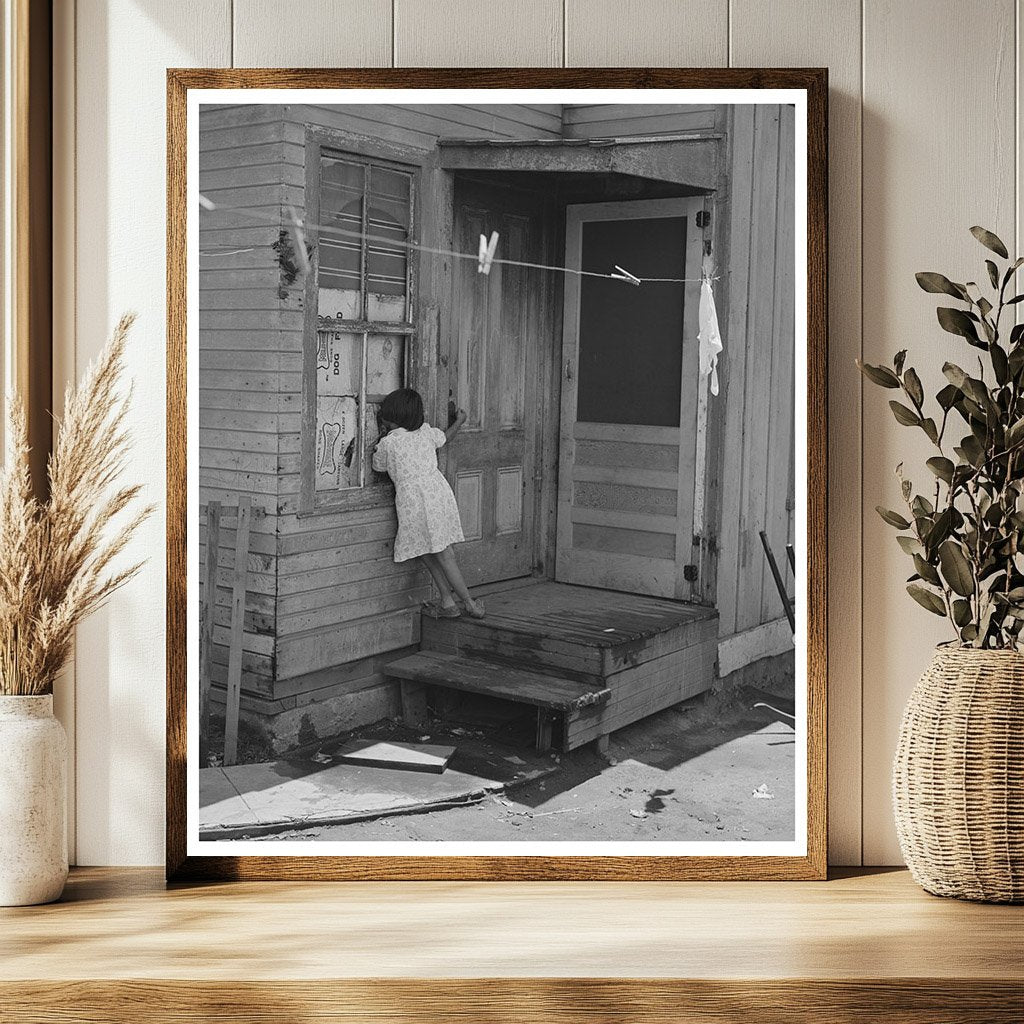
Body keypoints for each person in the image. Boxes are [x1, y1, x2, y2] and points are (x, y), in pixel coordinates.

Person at [372, 388, 485, 619]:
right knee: (432, 550)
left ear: (390, 417)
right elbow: (445, 438)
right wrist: (459, 421)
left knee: (434, 552)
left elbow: (378, 466)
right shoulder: (425, 432)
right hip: (436, 496)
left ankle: (469, 603)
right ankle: (447, 602)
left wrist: (381, 439)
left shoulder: (388, 443)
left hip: (413, 501)